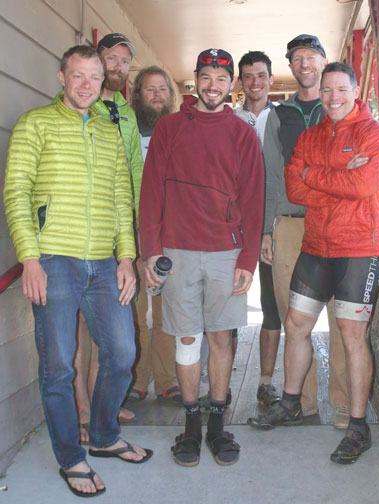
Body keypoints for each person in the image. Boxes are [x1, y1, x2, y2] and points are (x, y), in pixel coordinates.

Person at [4, 45, 151, 498]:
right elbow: (16, 193)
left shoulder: (110, 132)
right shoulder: (36, 124)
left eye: (94, 77)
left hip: (105, 263)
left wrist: (126, 257)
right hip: (54, 260)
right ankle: (72, 457)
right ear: (61, 77)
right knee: (57, 368)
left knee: (122, 353)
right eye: (78, 76)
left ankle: (104, 436)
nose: (88, 85)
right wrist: (30, 258)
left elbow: (121, 200)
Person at [248, 61, 379, 464]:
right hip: (316, 246)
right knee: (296, 324)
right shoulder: (310, 137)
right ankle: (292, 401)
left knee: (351, 335)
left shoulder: (375, 134)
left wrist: (317, 176)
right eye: (327, 90)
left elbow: (364, 185)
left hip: (358, 248)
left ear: (356, 90)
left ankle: (358, 426)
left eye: (341, 90)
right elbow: (294, 186)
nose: (333, 97)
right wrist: (335, 176)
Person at [139, 48, 264, 466]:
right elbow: (152, 191)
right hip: (177, 250)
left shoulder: (243, 133)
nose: (213, 85)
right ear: (195, 81)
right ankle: (191, 424)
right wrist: (150, 251)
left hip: (226, 252)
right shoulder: (170, 128)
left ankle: (216, 422)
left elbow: (253, 199)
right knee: (188, 337)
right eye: (206, 77)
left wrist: (247, 259)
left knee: (220, 337)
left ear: (232, 84)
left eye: (221, 78)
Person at [248, 34, 350, 427]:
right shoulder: (280, 115)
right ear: (291, 67)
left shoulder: (340, 110)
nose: (304, 63)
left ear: (325, 62)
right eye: (297, 58)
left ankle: (342, 403)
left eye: (311, 57)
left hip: (337, 222)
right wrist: (266, 231)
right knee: (296, 319)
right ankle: (303, 403)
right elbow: (272, 176)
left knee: (343, 320)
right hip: (289, 226)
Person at [73, 33, 144, 439]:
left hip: (122, 226)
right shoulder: (82, 107)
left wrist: (136, 223)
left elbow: (134, 169)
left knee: (110, 318)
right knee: (84, 322)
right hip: (88, 228)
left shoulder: (125, 111)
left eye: (123, 62)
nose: (116, 67)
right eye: (110, 59)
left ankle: (105, 402)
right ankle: (83, 407)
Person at [129, 65, 181, 403]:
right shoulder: (126, 130)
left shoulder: (179, 131)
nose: (158, 94)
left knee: (166, 309)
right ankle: (137, 377)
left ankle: (166, 379)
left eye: (163, 88)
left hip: (170, 231)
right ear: (138, 95)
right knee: (134, 309)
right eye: (151, 89)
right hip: (131, 228)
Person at [235, 50, 282, 407]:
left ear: (270, 78)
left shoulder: (283, 119)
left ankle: (265, 381)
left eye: (261, 75)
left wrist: (269, 228)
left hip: (271, 228)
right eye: (248, 76)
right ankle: (220, 383)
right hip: (232, 230)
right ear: (240, 81)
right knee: (226, 307)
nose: (255, 82)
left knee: (270, 305)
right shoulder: (228, 120)